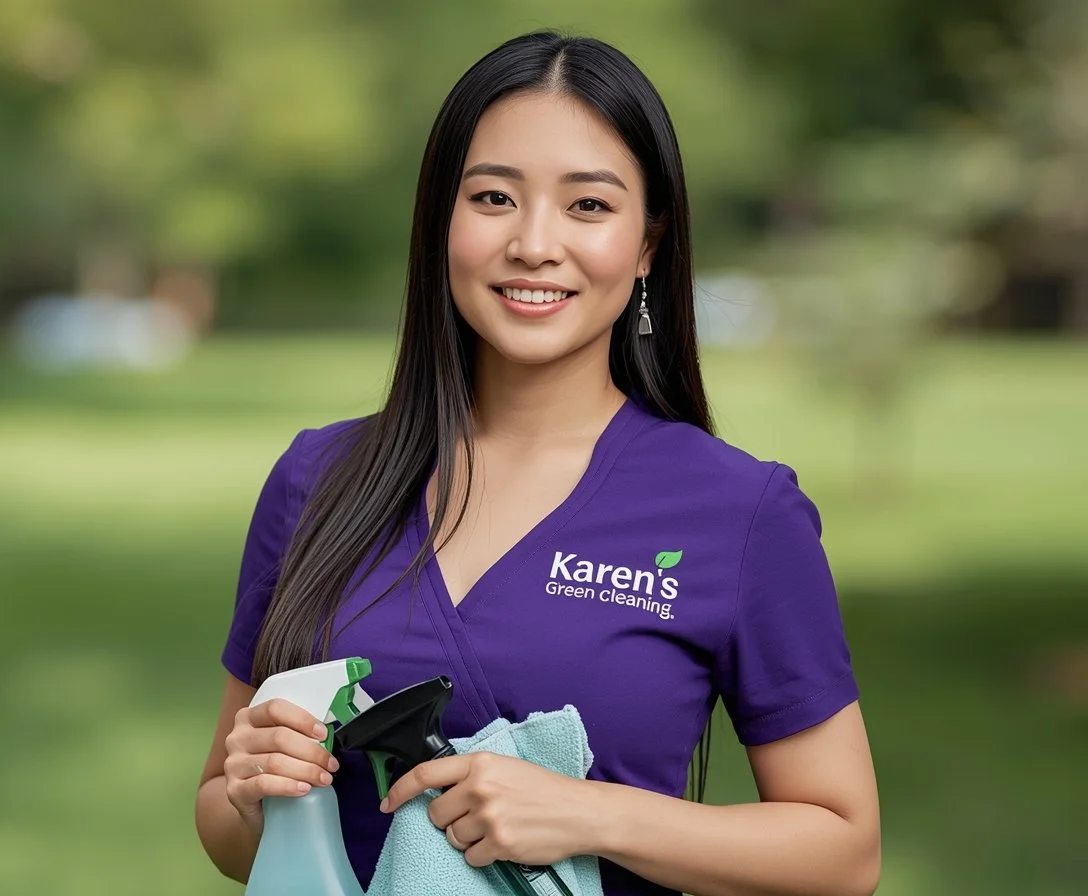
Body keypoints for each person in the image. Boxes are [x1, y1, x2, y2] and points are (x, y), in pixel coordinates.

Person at [194, 30, 881, 896]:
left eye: (588, 206)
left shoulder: (739, 511)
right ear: (441, 221)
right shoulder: (317, 479)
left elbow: (844, 855)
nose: (533, 244)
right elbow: (224, 827)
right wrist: (257, 794)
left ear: (647, 248)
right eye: (492, 198)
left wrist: (590, 813)